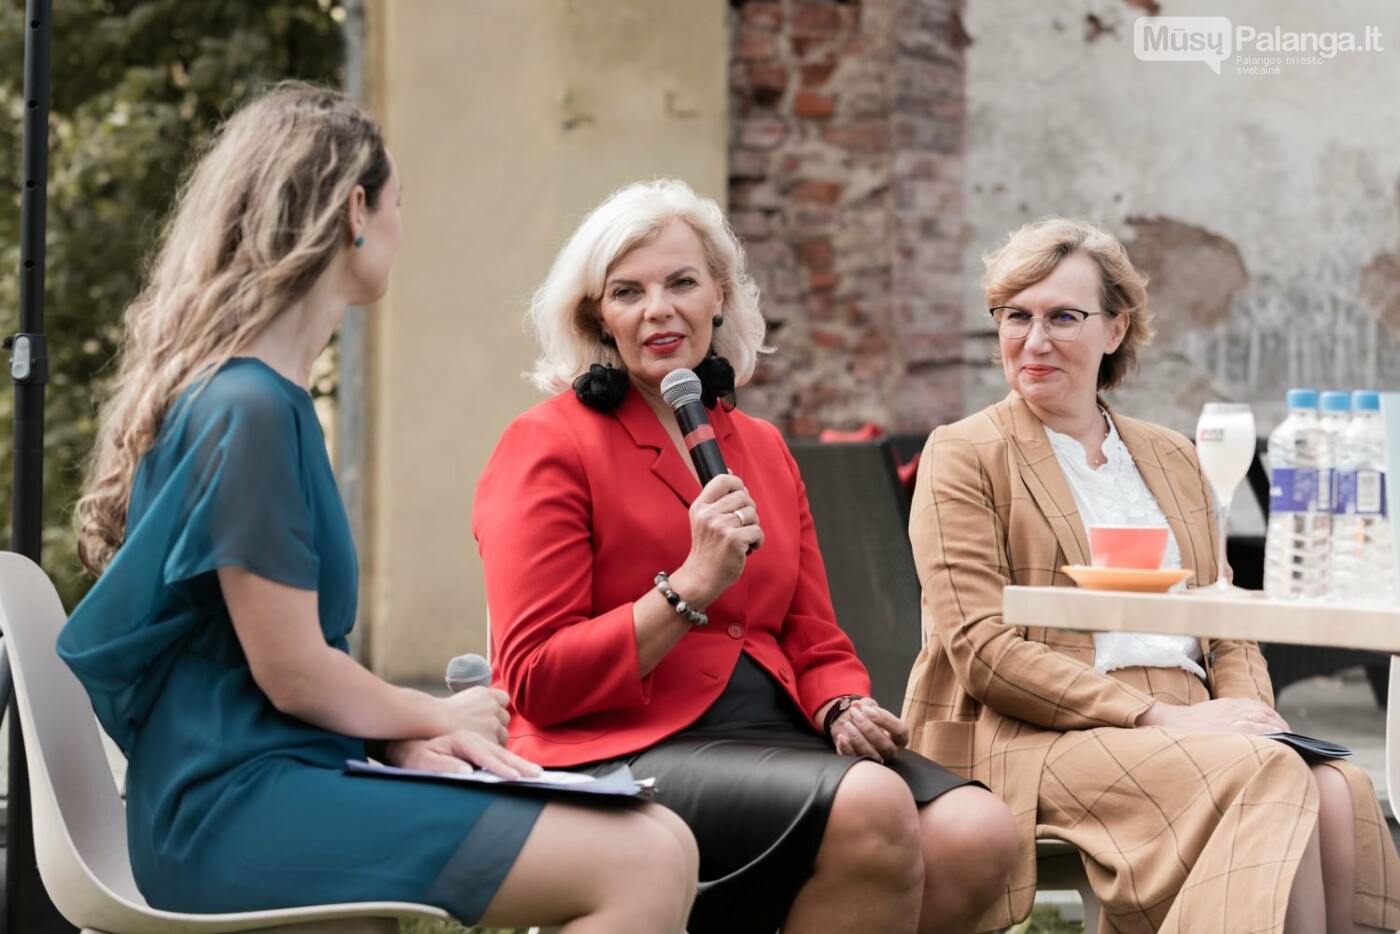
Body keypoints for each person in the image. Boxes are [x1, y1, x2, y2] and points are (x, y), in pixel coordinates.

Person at [57, 84, 697, 934]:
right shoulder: (246, 411)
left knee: (654, 838)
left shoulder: (255, 399)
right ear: (356, 210)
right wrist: (438, 713)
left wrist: (399, 740)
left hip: (272, 779)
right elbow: (292, 670)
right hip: (233, 809)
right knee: (646, 856)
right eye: (397, 204)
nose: (402, 226)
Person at [473, 177, 1018, 934]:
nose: (658, 309)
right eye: (627, 291)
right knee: (870, 803)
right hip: (615, 745)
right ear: (598, 316)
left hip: (773, 728)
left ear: (719, 295)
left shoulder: (755, 444)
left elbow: (811, 630)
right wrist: (688, 586)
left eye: (681, 282)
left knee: (978, 835)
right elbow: (533, 678)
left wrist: (839, 699)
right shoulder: (546, 443)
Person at [902, 216, 1400, 934]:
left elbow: (1228, 631)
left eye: (1063, 317)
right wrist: (1169, 718)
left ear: (1115, 329)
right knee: (1268, 777)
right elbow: (983, 650)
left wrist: (1254, 717)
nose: (1034, 341)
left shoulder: (1171, 456)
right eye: (1016, 316)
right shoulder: (965, 452)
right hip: (1032, 733)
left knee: (1337, 785)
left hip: (1191, 719)